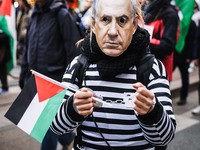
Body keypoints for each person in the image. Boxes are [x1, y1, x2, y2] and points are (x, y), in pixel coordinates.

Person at [50, 0, 176, 149]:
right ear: (94, 24)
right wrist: (72, 108)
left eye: (122, 20)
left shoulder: (152, 68)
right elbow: (56, 127)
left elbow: (164, 138)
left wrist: (151, 112)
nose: (112, 32)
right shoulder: (78, 65)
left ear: (134, 25)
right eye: (105, 20)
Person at [19, 0, 81, 149]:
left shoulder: (61, 14)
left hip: (55, 81)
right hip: (36, 80)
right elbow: (28, 46)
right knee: (45, 124)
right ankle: (67, 138)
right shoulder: (34, 15)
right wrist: (23, 74)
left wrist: (70, 83)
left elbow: (73, 51)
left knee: (46, 127)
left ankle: (65, 137)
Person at [143, 0, 179, 83]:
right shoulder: (147, 9)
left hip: (160, 69)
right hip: (144, 66)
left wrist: (143, 40)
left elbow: (167, 46)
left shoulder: (170, 14)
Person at [173, 20, 197, 105]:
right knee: (166, 75)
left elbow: (193, 40)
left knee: (185, 77)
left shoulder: (191, 23)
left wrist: (189, 56)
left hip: (184, 55)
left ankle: (183, 97)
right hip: (175, 54)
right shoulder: (178, 20)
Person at [16, 0, 32, 65]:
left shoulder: (30, 12)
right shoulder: (20, 12)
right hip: (19, 36)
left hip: (25, 37)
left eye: (20, 1)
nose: (19, 3)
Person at [0, 30, 11, 95]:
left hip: (2, 58)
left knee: (2, 73)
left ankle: (5, 87)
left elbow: (6, 37)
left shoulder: (4, 34)